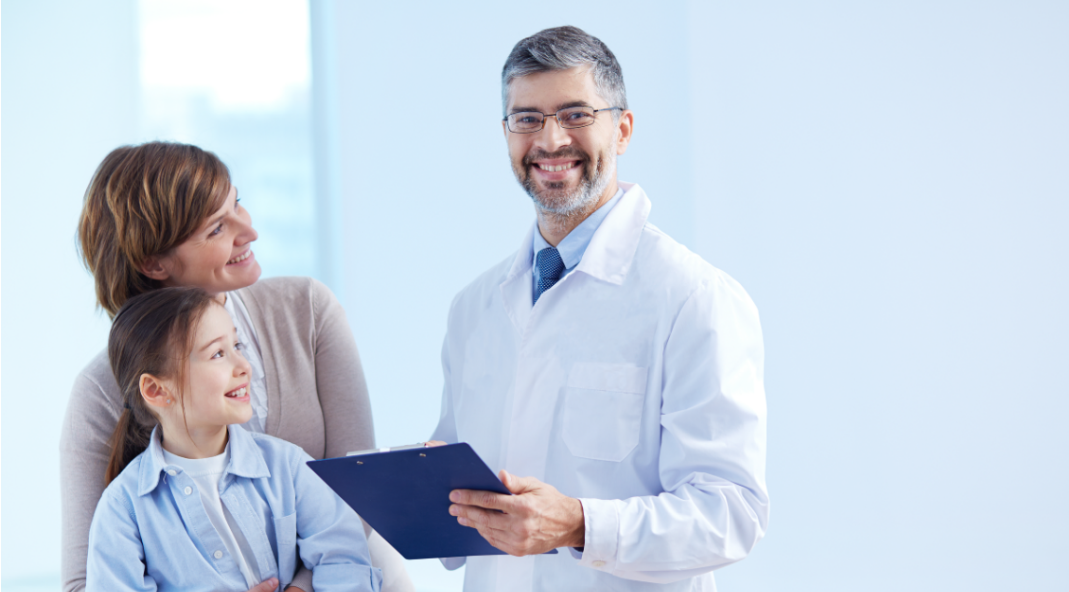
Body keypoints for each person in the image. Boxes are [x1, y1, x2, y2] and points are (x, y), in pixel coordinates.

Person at [432, 26, 769, 591]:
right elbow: (463, 501)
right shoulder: (474, 310)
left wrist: (579, 525)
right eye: (528, 118)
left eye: (576, 115)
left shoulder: (692, 298)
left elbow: (731, 514)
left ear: (624, 128)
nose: (550, 139)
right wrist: (421, 490)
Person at [62, 142, 413, 592]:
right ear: (154, 263)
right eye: (216, 228)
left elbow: (357, 498)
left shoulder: (307, 309)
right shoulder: (99, 394)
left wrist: (300, 588)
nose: (249, 231)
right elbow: (85, 582)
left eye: (238, 204)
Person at [88, 287, 382, 592]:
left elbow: (346, 559)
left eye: (237, 345)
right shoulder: (123, 508)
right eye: (217, 353)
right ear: (157, 391)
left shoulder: (288, 466)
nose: (244, 366)